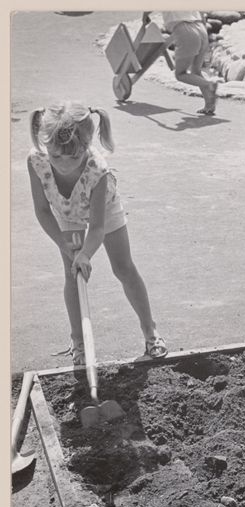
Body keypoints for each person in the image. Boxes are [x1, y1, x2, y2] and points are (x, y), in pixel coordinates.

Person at [27, 101, 168, 365]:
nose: (65, 165)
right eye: (57, 156)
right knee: (73, 276)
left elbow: (98, 227)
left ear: (86, 147)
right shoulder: (36, 161)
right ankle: (78, 343)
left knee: (124, 268)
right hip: (65, 212)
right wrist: (65, 246)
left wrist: (87, 254)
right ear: (45, 146)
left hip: (104, 211)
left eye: (74, 157)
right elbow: (42, 211)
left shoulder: (98, 170)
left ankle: (151, 332)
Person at [142, 11, 218, 115]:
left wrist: (144, 16)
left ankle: (209, 84)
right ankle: (209, 105)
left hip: (185, 30)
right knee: (196, 71)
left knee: (180, 74)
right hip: (201, 28)